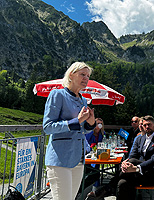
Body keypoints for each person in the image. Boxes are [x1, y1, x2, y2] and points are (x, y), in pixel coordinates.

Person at [43, 62, 96, 200]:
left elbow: (81, 130)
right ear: (71, 75)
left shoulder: (84, 100)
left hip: (78, 159)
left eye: (88, 76)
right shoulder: (57, 94)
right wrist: (76, 121)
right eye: (82, 74)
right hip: (60, 159)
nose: (86, 78)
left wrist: (90, 124)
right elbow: (48, 127)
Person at [87, 115, 154, 200]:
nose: (147, 127)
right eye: (145, 125)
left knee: (132, 162)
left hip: (152, 173)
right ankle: (106, 189)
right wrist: (125, 163)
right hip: (136, 174)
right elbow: (132, 154)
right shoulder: (140, 139)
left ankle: (105, 189)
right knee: (122, 183)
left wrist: (136, 168)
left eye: (149, 124)